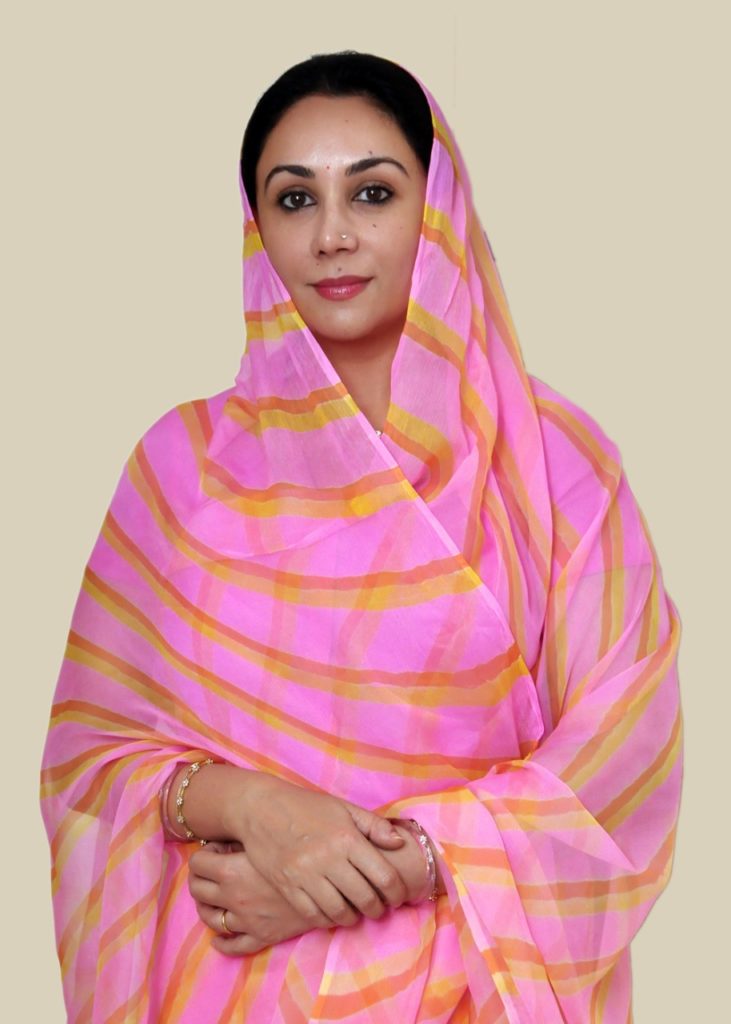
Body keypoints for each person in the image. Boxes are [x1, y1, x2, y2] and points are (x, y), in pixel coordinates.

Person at [40, 51, 683, 1023]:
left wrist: (380, 870)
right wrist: (252, 808)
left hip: (473, 991)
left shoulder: (555, 468)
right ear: (256, 228)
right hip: (228, 990)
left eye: (372, 193)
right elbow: (88, 757)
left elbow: (624, 756)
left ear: (437, 208)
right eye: (294, 199)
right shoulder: (180, 467)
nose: (332, 234)